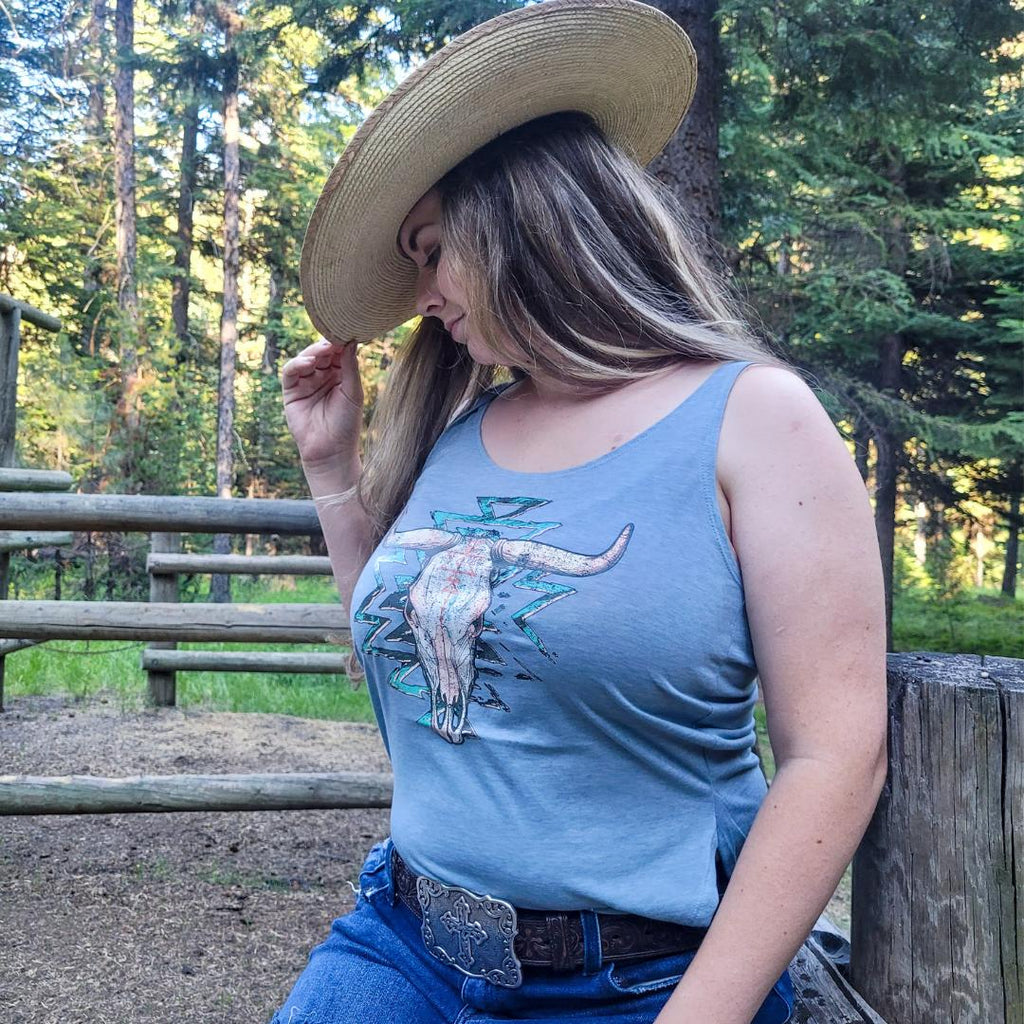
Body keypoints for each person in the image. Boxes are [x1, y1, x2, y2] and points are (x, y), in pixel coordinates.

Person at [272, 2, 887, 1022]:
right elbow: (418, 686)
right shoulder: (463, 424)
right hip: (402, 944)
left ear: (519, 215)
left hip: (638, 981)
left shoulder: (751, 417)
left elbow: (834, 755)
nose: (420, 294)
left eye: (431, 250)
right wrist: (333, 474)